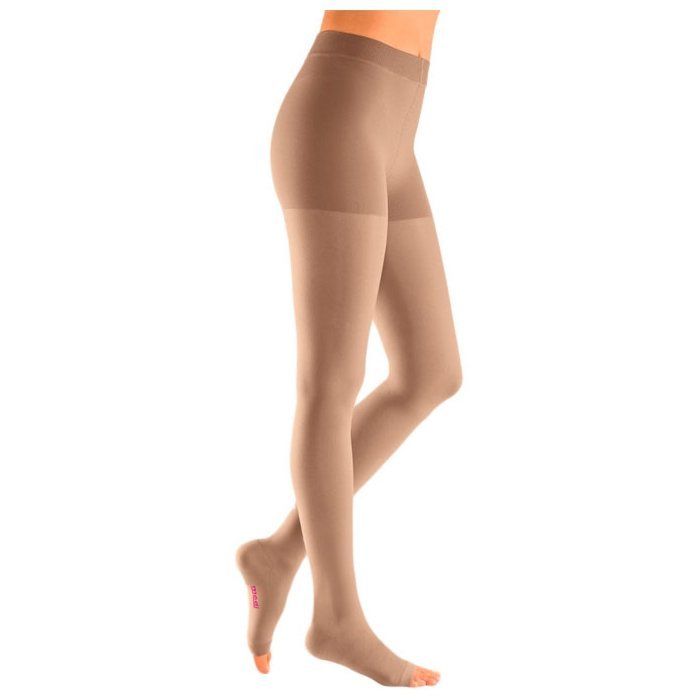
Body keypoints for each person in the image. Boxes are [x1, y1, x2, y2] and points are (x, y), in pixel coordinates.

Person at [236, 10, 461, 687]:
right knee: (330, 381)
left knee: (431, 371)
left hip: (394, 129)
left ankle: (279, 554)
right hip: (340, 114)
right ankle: (336, 617)